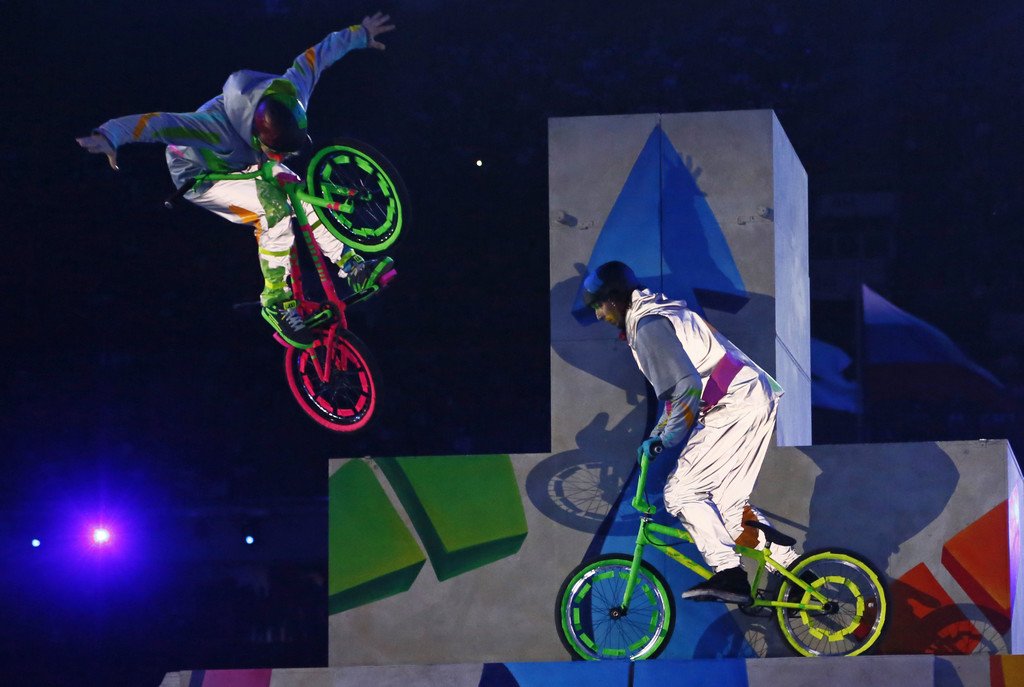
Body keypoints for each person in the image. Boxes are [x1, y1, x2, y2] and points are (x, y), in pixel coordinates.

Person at [77, 12, 396, 349]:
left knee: (301, 191)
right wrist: (110, 135)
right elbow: (157, 124)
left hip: (246, 161)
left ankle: (352, 266)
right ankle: (276, 301)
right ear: (258, 137)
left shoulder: (290, 91)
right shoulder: (212, 129)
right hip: (202, 176)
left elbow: (315, 57)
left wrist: (360, 33)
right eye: (276, 152)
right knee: (274, 206)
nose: (281, 158)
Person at [583, 260, 799, 603]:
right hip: (749, 396)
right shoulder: (656, 314)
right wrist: (657, 434)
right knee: (729, 509)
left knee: (681, 493)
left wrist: (666, 439)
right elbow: (678, 393)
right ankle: (798, 575)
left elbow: (685, 389)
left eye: (599, 305)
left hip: (734, 403)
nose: (598, 315)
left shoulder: (648, 326)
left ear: (614, 297)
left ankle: (729, 573)